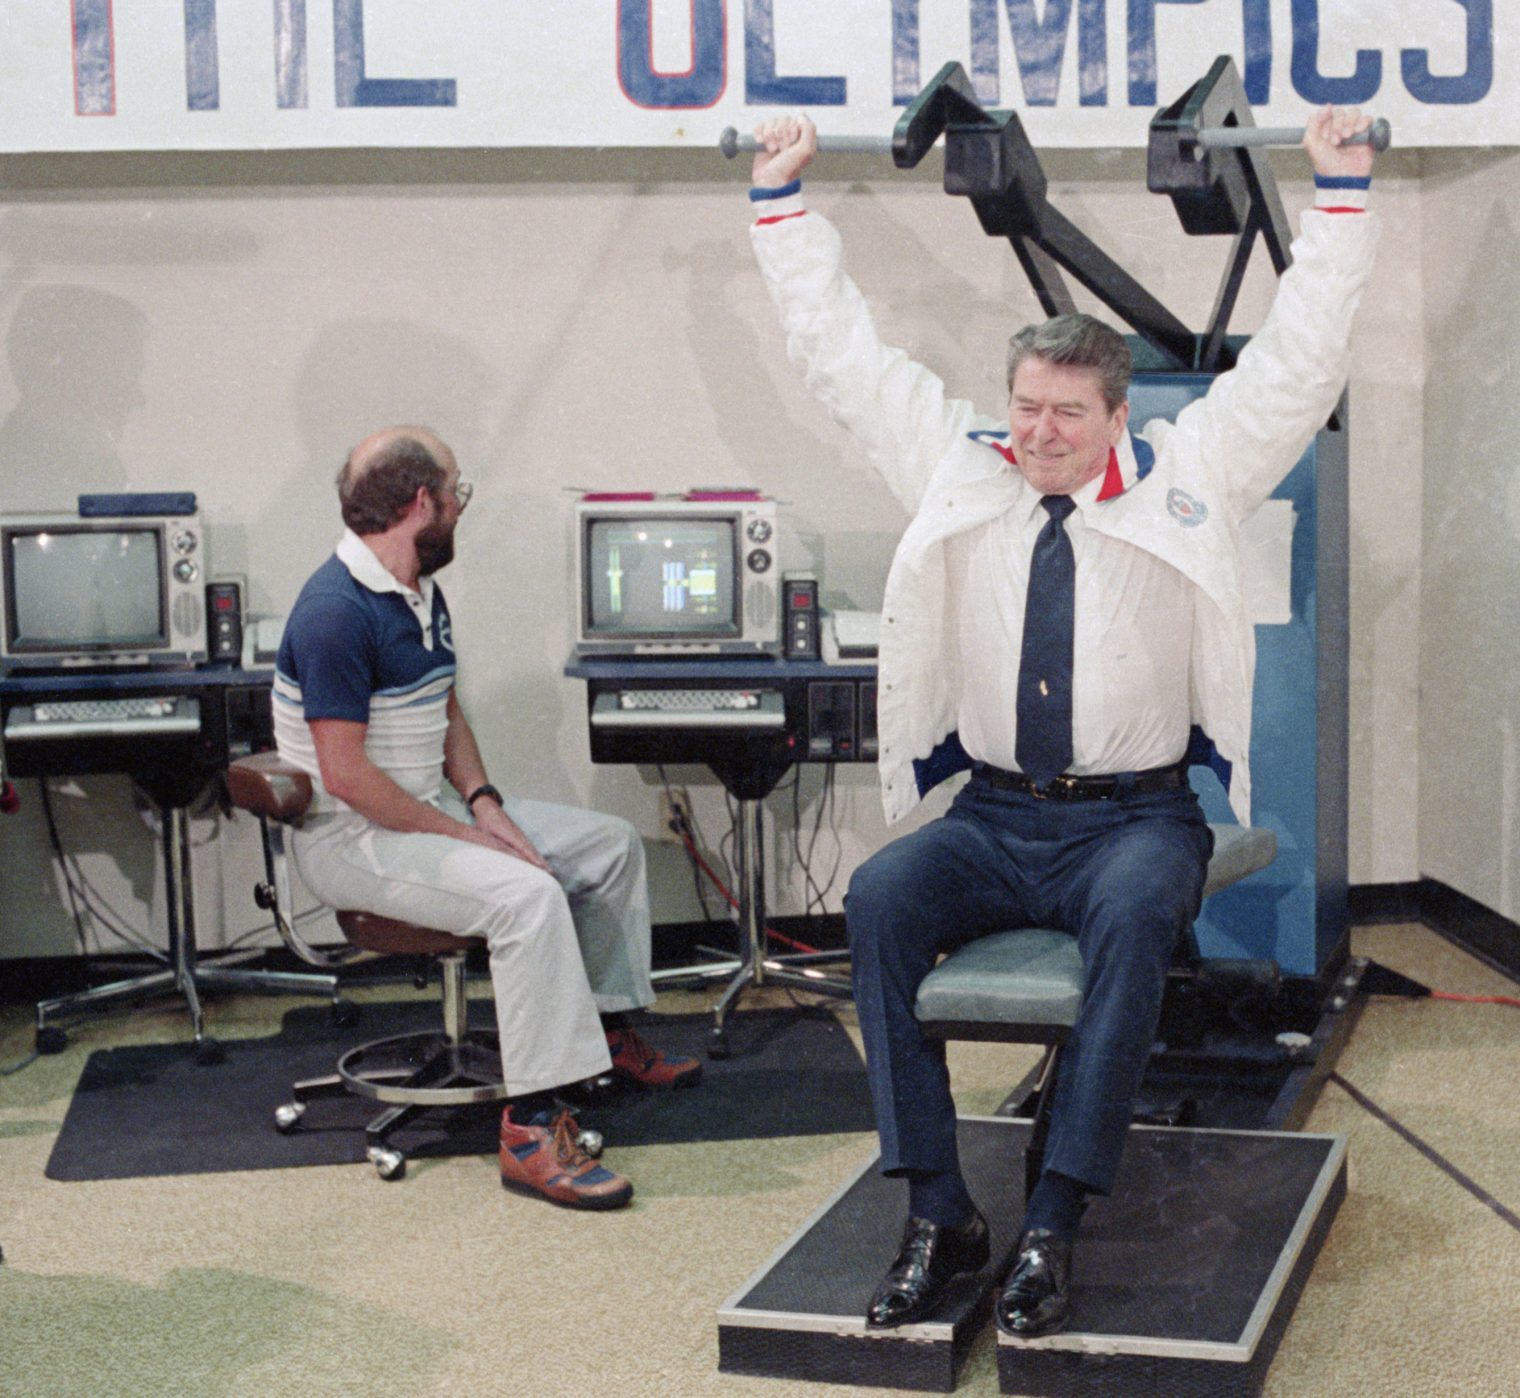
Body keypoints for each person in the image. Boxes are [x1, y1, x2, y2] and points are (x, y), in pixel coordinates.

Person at [747, 108, 1380, 1335]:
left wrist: (1341, 194)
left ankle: (1051, 1222)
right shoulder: (959, 465)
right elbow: (840, 357)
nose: (1037, 432)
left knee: (1138, 918)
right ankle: (939, 1209)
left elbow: (1300, 362)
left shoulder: (1192, 474)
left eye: (1065, 414)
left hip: (1134, 821)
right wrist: (780, 208)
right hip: (991, 818)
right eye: (1025, 406)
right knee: (877, 900)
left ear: (1115, 416)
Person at [271, 426, 700, 1210]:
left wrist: (484, 802)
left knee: (607, 846)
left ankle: (602, 1039)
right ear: (421, 503)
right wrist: (468, 839)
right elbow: (347, 777)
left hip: (422, 811)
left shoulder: (415, 588)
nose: (461, 507)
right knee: (526, 896)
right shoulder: (335, 612)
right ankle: (530, 1132)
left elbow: (445, 710)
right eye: (456, 493)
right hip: (351, 837)